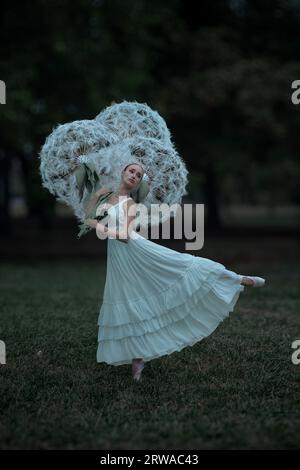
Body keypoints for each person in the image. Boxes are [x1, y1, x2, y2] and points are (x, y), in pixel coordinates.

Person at [84, 163, 266, 382]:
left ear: (139, 182)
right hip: (118, 259)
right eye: (131, 171)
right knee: (130, 299)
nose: (134, 176)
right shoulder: (103, 194)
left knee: (187, 264)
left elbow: (124, 236)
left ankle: (238, 278)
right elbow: (87, 217)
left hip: (138, 250)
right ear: (122, 172)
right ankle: (139, 358)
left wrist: (99, 227)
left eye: (139, 175)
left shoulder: (131, 204)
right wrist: (93, 209)